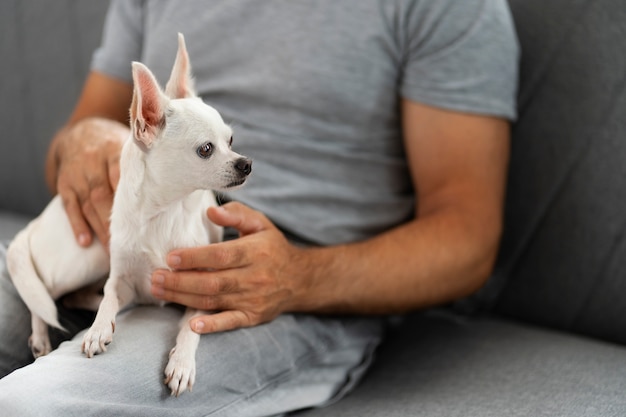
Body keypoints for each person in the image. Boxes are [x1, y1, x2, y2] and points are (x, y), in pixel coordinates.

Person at [0, 0, 518, 415]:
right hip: (120, 240)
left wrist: (298, 278)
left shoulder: (453, 9)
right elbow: (70, 145)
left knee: (34, 405)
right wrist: (83, 141)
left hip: (295, 287)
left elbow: (468, 239)